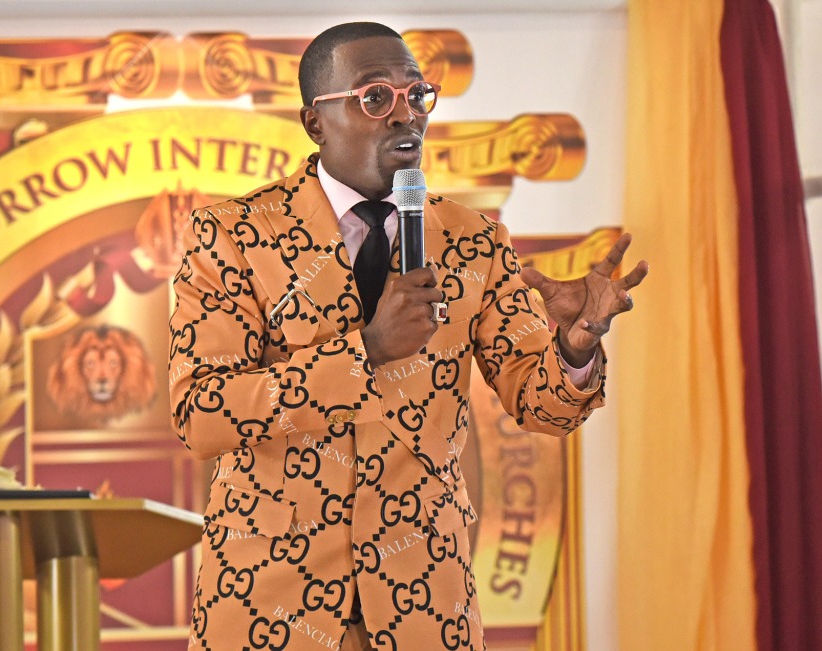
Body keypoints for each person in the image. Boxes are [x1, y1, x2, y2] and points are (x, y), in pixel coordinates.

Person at [169, 21, 647, 651]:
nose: (405, 115)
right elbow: (201, 414)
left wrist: (576, 346)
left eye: (417, 94)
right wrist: (363, 353)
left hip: (424, 600)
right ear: (316, 121)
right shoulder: (234, 235)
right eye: (375, 97)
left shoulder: (472, 239)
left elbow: (542, 406)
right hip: (270, 604)